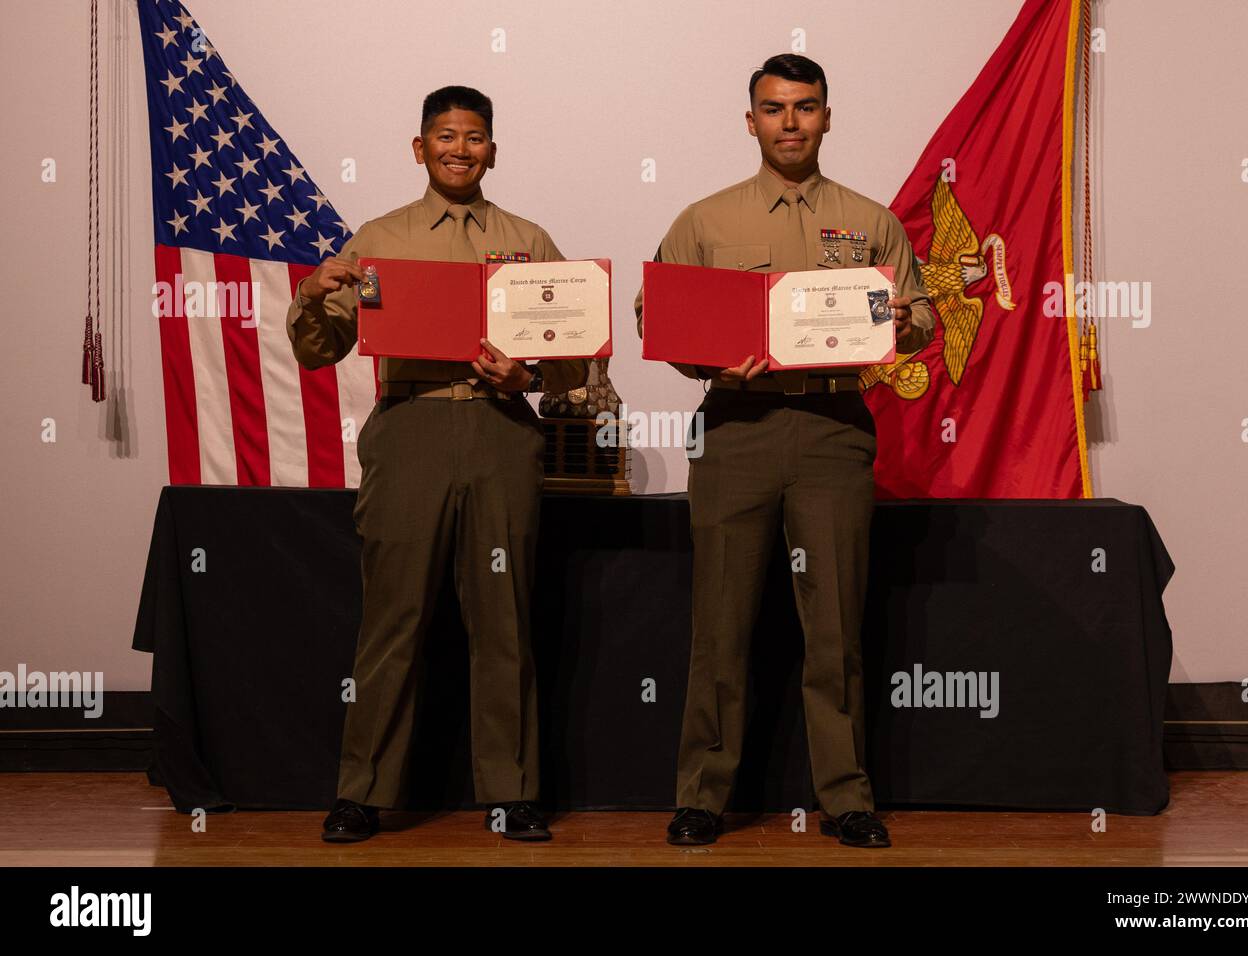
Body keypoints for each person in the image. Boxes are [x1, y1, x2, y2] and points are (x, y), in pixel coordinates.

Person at [635, 55, 935, 848]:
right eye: (774, 109)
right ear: (750, 121)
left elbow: (922, 315)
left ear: (828, 116)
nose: (790, 122)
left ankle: (846, 797)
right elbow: (656, 314)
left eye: (805, 107)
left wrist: (904, 323)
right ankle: (702, 795)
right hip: (737, 428)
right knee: (720, 625)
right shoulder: (706, 220)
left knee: (834, 627)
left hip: (835, 428)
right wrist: (705, 363)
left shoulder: (871, 221)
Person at [287, 86, 588, 843]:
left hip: (499, 433)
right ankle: (361, 792)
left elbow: (572, 360)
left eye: (476, 136)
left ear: (494, 148)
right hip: (412, 426)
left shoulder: (527, 238)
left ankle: (514, 792)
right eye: (446, 136)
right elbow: (321, 350)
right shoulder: (380, 238)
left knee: (504, 617)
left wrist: (529, 379)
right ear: (419, 149)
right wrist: (312, 295)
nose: (461, 148)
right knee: (394, 617)